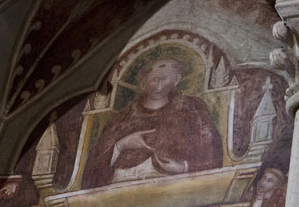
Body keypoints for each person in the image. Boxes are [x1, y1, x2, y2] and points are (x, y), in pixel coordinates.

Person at [82, 57, 223, 187]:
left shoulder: (192, 110)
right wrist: (122, 144)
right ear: (143, 84)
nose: (159, 85)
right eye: (154, 79)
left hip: (174, 188)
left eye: (165, 78)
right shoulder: (121, 119)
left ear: (176, 80)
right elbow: (92, 170)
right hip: (122, 186)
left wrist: (184, 167)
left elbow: (212, 152)